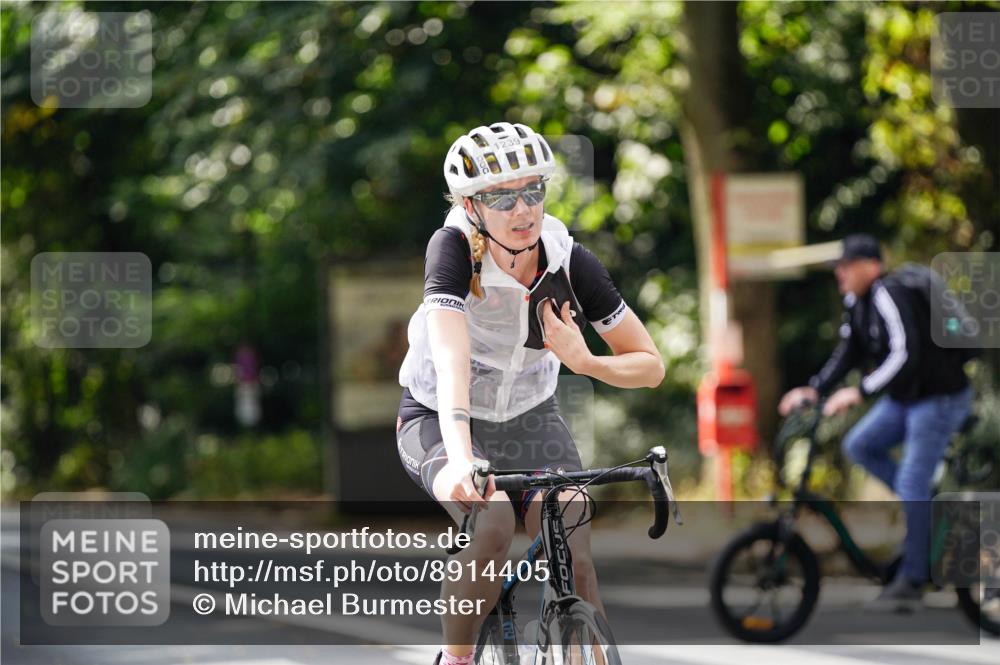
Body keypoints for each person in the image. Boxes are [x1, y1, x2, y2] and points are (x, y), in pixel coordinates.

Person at [396, 122, 665, 664]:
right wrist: (463, 458)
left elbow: (650, 365)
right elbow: (450, 362)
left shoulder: (566, 259)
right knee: (491, 521)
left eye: (532, 191)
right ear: (472, 207)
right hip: (440, 416)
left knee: (572, 523)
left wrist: (586, 361)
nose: (522, 211)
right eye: (501, 197)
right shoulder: (451, 250)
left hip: (530, 415)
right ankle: (458, 657)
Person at [779, 234, 974, 612]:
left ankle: (914, 579)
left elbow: (907, 353)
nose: (840, 273)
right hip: (907, 399)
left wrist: (861, 391)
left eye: (847, 266)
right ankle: (927, 512)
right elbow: (848, 351)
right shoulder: (857, 301)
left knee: (911, 481)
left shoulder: (889, 293)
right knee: (860, 445)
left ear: (871, 266)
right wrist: (815, 389)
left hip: (940, 398)